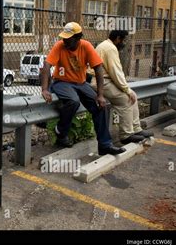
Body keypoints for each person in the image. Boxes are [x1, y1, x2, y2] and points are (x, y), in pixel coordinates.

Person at [41, 22, 125, 156]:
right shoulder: (59, 46)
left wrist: (100, 95)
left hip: (80, 83)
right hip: (61, 82)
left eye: (68, 38)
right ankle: (61, 131)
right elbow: (46, 65)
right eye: (64, 37)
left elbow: (98, 68)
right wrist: (45, 89)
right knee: (73, 101)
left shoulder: (86, 46)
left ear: (77, 38)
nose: (65, 40)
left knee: (101, 106)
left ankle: (104, 145)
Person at [95, 30, 154, 144]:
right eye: (124, 40)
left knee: (133, 96)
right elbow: (115, 72)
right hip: (100, 81)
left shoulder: (106, 45)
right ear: (117, 38)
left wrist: (128, 90)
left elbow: (114, 73)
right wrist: (126, 90)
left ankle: (136, 129)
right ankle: (126, 135)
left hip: (105, 80)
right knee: (126, 99)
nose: (124, 42)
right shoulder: (110, 48)